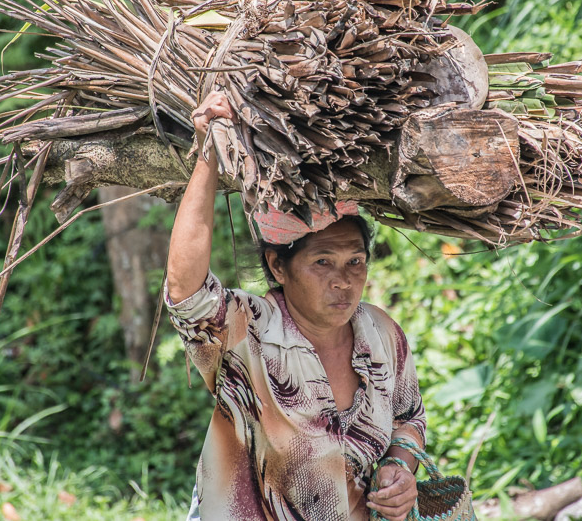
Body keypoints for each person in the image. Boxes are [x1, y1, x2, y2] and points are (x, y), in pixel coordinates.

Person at [166, 91, 427, 521]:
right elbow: (185, 290)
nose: (343, 279)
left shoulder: (382, 336)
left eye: (355, 261)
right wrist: (209, 155)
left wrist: (400, 467)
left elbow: (409, 416)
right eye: (322, 262)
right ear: (278, 266)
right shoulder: (246, 333)